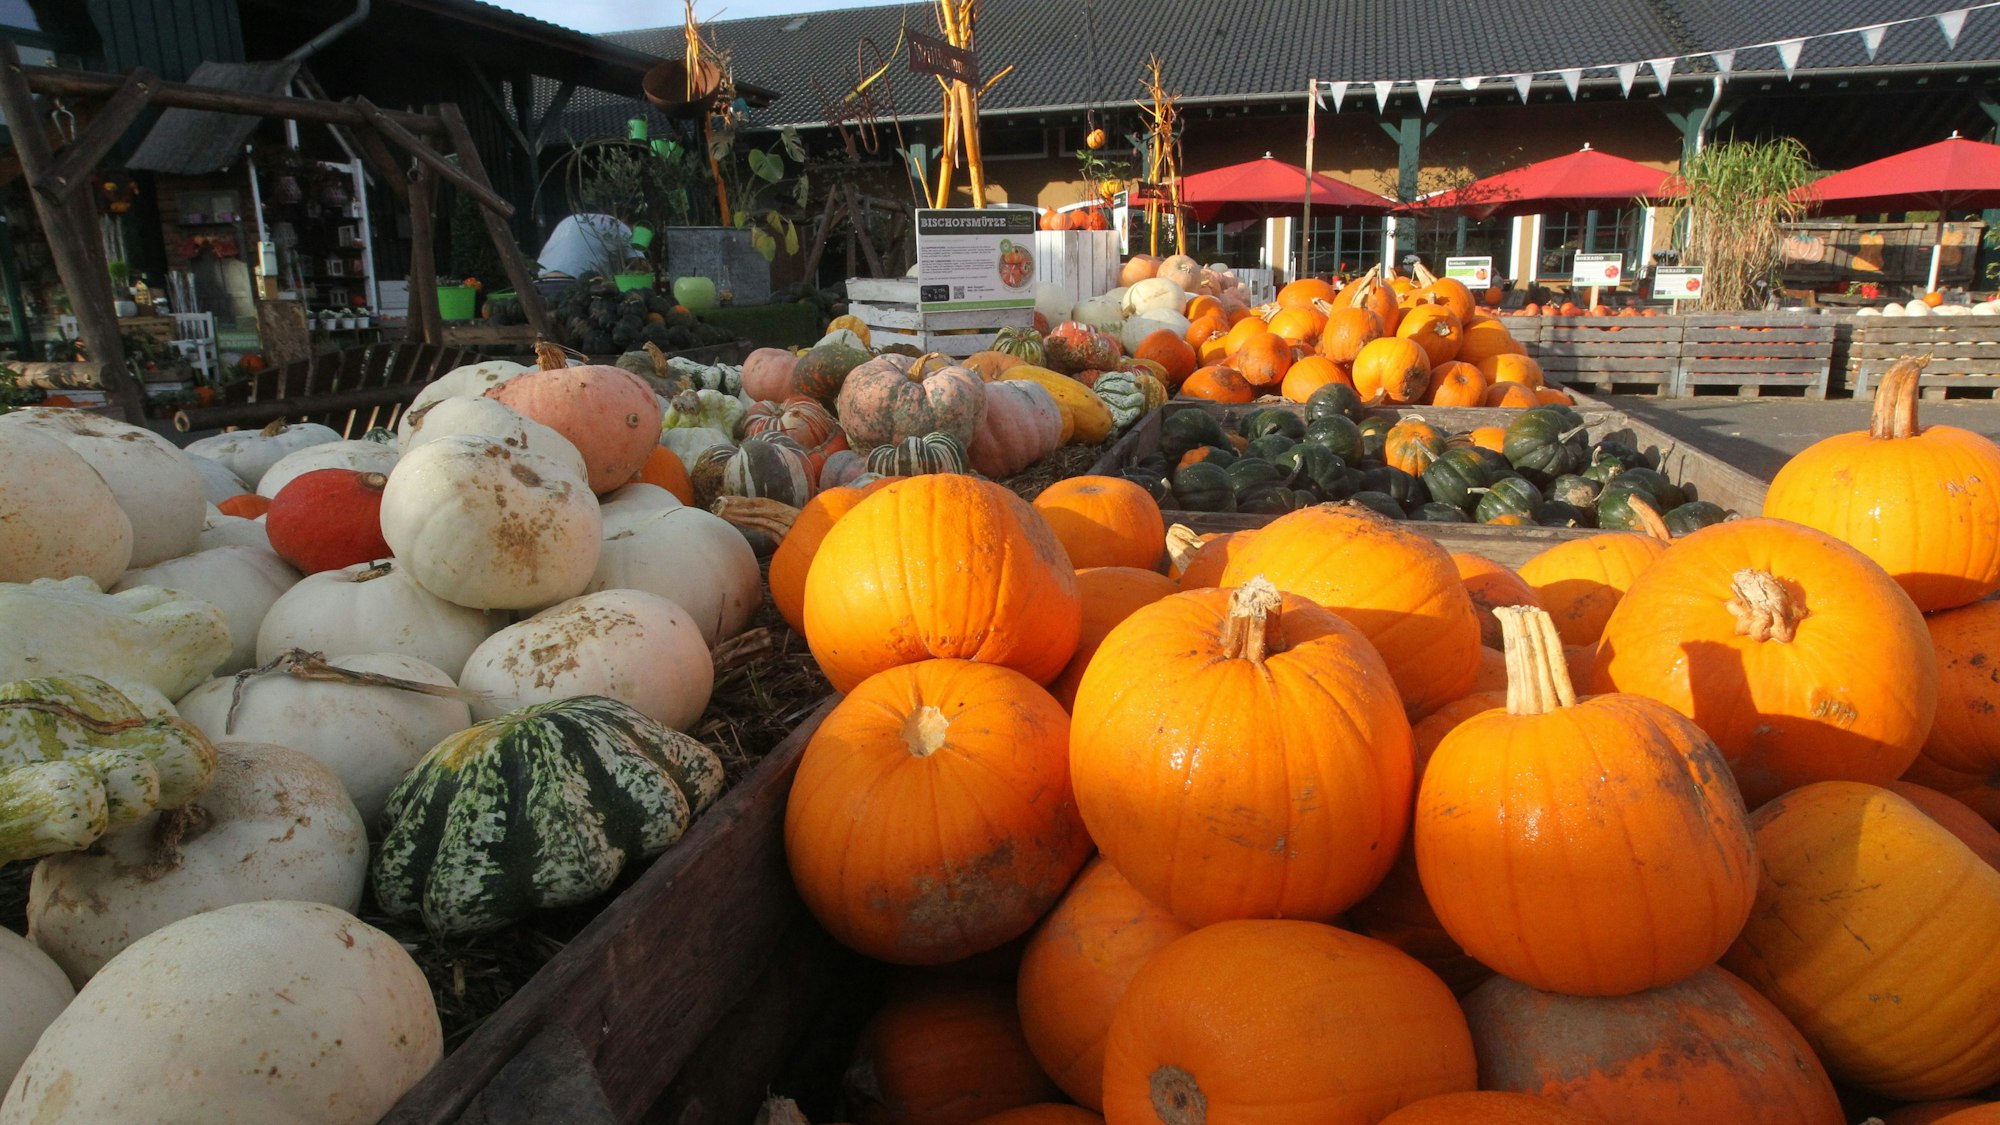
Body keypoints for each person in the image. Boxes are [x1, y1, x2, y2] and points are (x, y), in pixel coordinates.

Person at [536, 214, 640, 281]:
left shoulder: (571, 219)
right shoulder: (619, 225)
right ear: (626, 219)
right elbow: (640, 265)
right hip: (576, 284)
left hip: (541, 281)